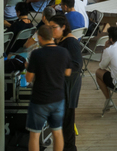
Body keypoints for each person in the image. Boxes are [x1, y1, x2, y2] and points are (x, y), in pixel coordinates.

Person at [25, 23, 70, 151]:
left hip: (39, 100)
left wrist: (28, 67)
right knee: (57, 132)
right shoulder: (64, 52)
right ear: (52, 36)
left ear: (40, 37)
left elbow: (28, 78)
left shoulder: (37, 54)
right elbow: (68, 72)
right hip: (58, 98)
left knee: (35, 134)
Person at [54, 17, 84, 151]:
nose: (51, 30)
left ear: (63, 27)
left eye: (54, 27)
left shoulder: (71, 42)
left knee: (67, 121)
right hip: (62, 84)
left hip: (69, 85)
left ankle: (70, 148)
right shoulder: (59, 40)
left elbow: (77, 65)